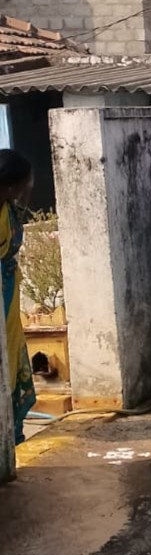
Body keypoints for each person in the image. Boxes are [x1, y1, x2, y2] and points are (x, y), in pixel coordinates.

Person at [0, 149, 34, 446]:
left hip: (8, 292)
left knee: (11, 354)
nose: (27, 188)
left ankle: (12, 432)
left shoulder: (9, 207)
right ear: (10, 186)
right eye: (23, 183)